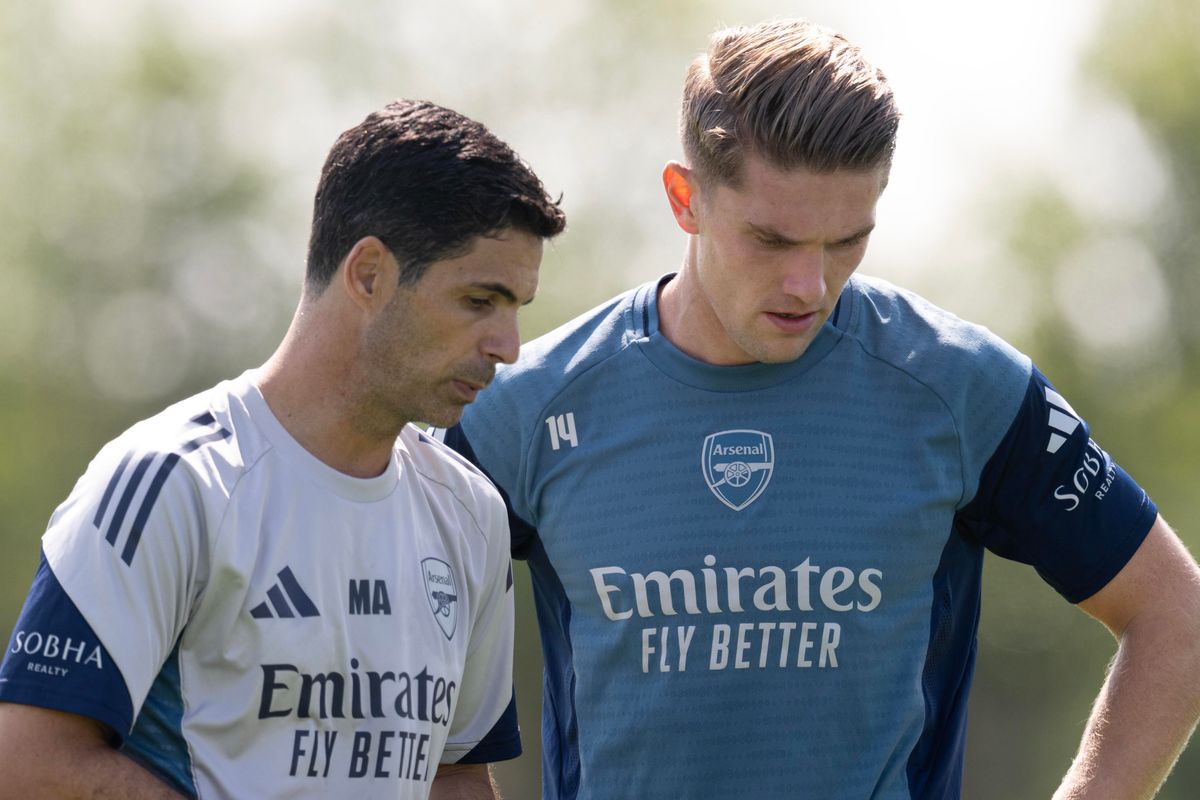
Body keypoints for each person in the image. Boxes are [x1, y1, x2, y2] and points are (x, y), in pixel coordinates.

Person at [435, 19, 1200, 799]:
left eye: (846, 242)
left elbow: (1179, 619)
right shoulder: (522, 411)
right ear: (685, 198)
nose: (809, 285)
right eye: (772, 240)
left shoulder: (961, 389)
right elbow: (421, 698)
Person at [0, 99, 565, 799]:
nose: (506, 347)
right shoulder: (174, 482)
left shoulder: (471, 511)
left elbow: (455, 776)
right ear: (368, 275)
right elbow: (27, 764)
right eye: (481, 300)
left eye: (516, 310)